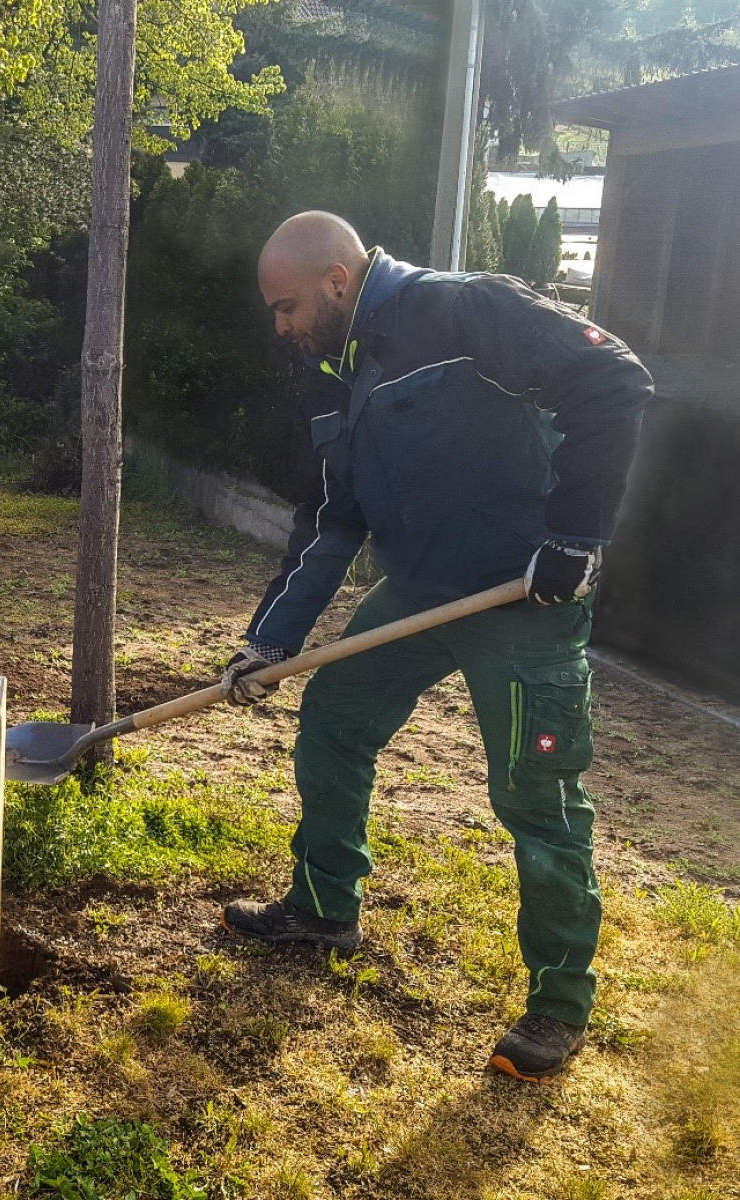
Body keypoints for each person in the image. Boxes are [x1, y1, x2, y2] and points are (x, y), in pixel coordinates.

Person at [217, 212, 652, 1082]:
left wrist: (573, 538)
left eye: (288, 306)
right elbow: (332, 520)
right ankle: (322, 905)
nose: (281, 326)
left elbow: (612, 378)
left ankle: (558, 1007)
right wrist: (270, 640)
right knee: (334, 715)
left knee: (535, 794)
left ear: (338, 281)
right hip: (417, 588)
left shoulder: (463, 310)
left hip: (517, 593)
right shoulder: (334, 372)